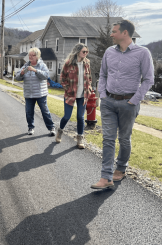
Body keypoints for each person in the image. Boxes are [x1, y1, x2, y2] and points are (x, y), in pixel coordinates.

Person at [91, 20, 154, 190]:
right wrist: (102, 95)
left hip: (129, 103)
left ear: (125, 33)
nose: (111, 34)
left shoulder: (143, 53)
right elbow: (103, 74)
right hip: (108, 102)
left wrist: (135, 100)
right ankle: (105, 177)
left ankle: (121, 167)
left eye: (114, 31)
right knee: (108, 139)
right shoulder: (109, 52)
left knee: (124, 139)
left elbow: (149, 79)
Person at [57, 43, 92, 149]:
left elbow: (89, 77)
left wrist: (89, 89)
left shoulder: (87, 63)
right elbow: (62, 78)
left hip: (83, 95)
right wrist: (68, 89)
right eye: (83, 52)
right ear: (78, 52)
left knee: (80, 117)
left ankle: (80, 139)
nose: (85, 54)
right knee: (67, 116)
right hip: (70, 95)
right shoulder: (69, 63)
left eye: (87, 52)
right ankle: (60, 131)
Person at [15, 47, 56, 136]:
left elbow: (46, 75)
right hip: (29, 93)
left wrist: (35, 70)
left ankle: (51, 127)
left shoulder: (42, 65)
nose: (31, 57)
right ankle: (31, 127)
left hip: (40, 93)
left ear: (37, 56)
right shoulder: (25, 65)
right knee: (29, 111)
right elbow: (17, 77)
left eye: (33, 55)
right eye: (29, 55)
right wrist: (21, 73)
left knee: (45, 111)